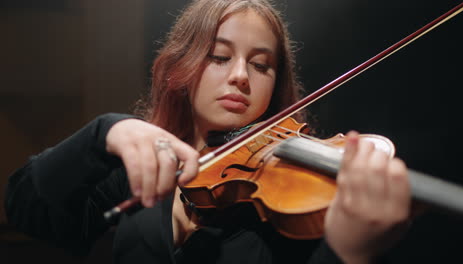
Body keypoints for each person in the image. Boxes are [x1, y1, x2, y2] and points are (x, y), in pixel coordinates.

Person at [5, 0, 411, 263]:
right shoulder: (142, 172)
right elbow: (27, 209)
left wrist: (346, 253)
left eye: (261, 64)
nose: (239, 76)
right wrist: (103, 132)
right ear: (184, 65)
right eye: (219, 57)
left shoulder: (292, 205)